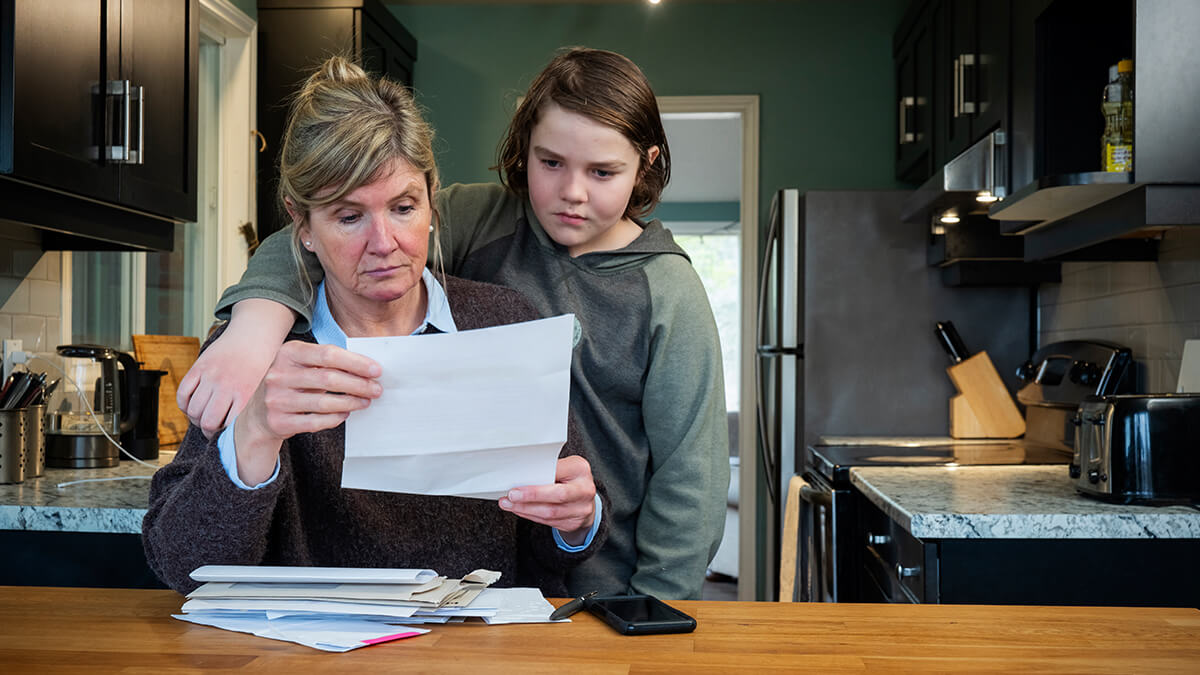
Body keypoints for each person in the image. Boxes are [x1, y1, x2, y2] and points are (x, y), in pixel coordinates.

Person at [179, 47, 728, 600]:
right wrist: (252, 329)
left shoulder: (663, 292)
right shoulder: (480, 216)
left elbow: (692, 480)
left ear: (645, 165)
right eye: (551, 162)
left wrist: (658, 610)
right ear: (523, 151)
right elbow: (314, 234)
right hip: (516, 584)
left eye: (603, 171)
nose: (573, 193)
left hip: (604, 580)